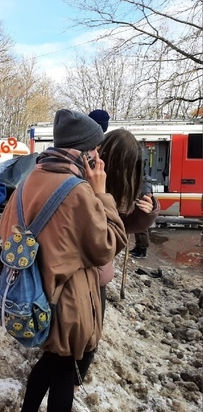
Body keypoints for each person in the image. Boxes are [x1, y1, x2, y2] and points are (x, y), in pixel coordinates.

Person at [0, 109, 127, 411]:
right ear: (85, 154)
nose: (99, 157)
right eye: (95, 150)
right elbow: (108, 246)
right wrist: (101, 193)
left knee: (51, 364)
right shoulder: (79, 192)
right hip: (67, 304)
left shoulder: (28, 181)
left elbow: (8, 235)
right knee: (64, 372)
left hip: (33, 298)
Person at [74, 128, 160, 389]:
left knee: (90, 337)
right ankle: (66, 385)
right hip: (76, 272)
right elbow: (97, 230)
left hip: (97, 273)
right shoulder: (83, 177)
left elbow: (118, 227)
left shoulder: (111, 182)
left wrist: (146, 215)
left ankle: (71, 385)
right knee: (75, 337)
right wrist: (99, 194)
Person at [130, 174, 155, 258]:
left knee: (141, 228)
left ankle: (141, 250)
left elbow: (145, 195)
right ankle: (139, 247)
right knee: (139, 227)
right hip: (140, 203)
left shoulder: (144, 182)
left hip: (142, 204)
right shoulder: (145, 180)